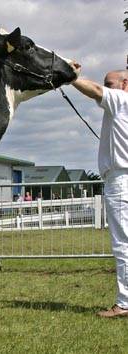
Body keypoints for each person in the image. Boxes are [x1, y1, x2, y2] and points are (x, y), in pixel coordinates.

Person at [72, 69, 128, 318]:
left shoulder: (121, 100)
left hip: (120, 178)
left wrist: (69, 77)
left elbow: (93, 90)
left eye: (109, 84)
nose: (104, 88)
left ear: (124, 84)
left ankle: (125, 302)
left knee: (123, 243)